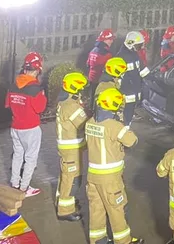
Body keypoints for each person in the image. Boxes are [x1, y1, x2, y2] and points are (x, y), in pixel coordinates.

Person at [85, 87, 142, 244]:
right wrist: (122, 122)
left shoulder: (90, 122)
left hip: (93, 176)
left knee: (96, 210)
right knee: (116, 210)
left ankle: (98, 240)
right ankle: (124, 241)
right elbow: (132, 141)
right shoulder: (114, 126)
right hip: (110, 179)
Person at [5, 51, 46, 197]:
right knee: (30, 158)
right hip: (31, 129)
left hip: (15, 127)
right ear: (37, 70)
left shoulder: (12, 85)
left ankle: (14, 183)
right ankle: (24, 188)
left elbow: (9, 105)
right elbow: (40, 108)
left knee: (17, 155)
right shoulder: (35, 89)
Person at [55, 71, 90, 221]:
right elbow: (84, 124)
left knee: (66, 177)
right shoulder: (71, 106)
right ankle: (65, 211)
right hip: (71, 150)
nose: (83, 90)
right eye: (81, 88)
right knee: (72, 179)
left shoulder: (65, 101)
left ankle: (64, 201)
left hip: (69, 149)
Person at [118, 31, 150, 125]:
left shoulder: (134, 54)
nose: (141, 48)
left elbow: (142, 70)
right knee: (124, 118)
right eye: (139, 46)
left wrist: (153, 78)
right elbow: (118, 78)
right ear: (131, 44)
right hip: (126, 94)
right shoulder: (121, 57)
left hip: (133, 93)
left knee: (129, 115)